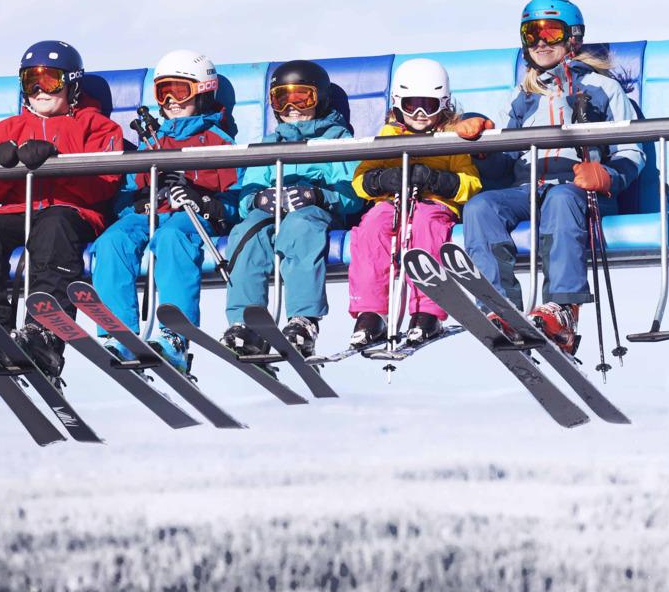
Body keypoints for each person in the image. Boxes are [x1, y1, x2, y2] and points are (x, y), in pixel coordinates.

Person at [460, 0, 644, 353]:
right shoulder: (521, 96)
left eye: (550, 32)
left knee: (560, 199)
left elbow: (631, 152)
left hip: (580, 191)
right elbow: (503, 162)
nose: (540, 42)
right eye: (531, 33)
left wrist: (607, 176)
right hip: (526, 190)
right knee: (481, 207)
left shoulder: (603, 89)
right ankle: (500, 306)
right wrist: (483, 150)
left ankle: (562, 310)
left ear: (573, 37)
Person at [0, 40, 126, 377]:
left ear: (72, 84)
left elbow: (105, 185)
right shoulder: (6, 130)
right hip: (17, 210)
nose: (39, 90)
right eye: (31, 81)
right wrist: (0, 168)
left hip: (71, 211)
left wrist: (58, 163)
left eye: (50, 81)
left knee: (53, 229)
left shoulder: (97, 126)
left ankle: (43, 332)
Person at [88, 49, 237, 372]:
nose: (170, 101)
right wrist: (142, 200)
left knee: (171, 239)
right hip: (149, 214)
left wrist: (202, 199)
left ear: (203, 91)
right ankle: (118, 333)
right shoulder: (151, 142)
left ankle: (175, 335)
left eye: (179, 91)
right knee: (113, 241)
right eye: (163, 92)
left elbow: (233, 197)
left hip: (191, 217)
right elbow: (126, 192)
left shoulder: (219, 141)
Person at [219, 60, 366, 358]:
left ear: (320, 98)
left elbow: (354, 194)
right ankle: (246, 322)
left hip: (316, 212)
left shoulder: (338, 141)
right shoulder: (268, 144)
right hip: (271, 214)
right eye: (282, 99)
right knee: (247, 232)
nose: (292, 108)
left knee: (299, 227)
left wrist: (319, 195)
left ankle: (303, 320)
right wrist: (257, 200)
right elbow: (246, 195)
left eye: (302, 98)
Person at [345, 58, 494, 350]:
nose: (421, 114)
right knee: (372, 227)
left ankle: (427, 312)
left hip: (433, 205)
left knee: (426, 227)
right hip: (392, 204)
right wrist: (383, 180)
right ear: (398, 104)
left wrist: (437, 180)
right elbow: (360, 181)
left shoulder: (451, 136)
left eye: (429, 105)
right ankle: (371, 313)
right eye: (412, 105)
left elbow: (471, 184)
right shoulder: (388, 136)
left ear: (444, 104)